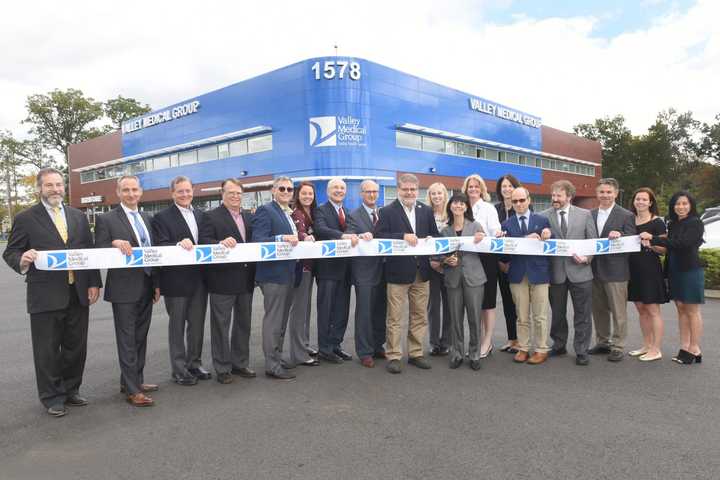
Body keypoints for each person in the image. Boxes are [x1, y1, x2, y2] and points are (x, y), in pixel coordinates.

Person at [3, 167, 102, 417]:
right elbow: (11, 252)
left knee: (75, 346)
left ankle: (71, 390)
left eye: (59, 184)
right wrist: (23, 259)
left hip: (77, 292)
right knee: (47, 350)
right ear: (40, 189)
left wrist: (93, 283)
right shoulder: (26, 218)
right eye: (49, 185)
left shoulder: (77, 216)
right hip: (45, 295)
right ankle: (52, 397)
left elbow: (87, 253)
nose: (56, 189)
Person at [95, 175, 161, 406]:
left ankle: (134, 380)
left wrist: (156, 284)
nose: (131, 194)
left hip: (147, 285)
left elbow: (153, 252)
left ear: (140, 192)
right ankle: (133, 391)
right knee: (126, 339)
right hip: (123, 290)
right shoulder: (107, 219)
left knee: (140, 337)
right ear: (118, 192)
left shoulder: (147, 217)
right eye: (126, 190)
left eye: (134, 189)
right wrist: (113, 244)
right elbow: (98, 249)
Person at [375, 173, 440, 374]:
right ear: (399, 190)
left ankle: (416, 353)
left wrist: (430, 239)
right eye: (406, 189)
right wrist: (402, 236)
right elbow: (379, 236)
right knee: (395, 317)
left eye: (413, 189)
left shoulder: (426, 211)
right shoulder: (386, 211)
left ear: (417, 190)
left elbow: (435, 236)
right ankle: (394, 355)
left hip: (422, 272)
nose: (409, 192)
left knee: (419, 315)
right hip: (397, 272)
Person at [151, 176, 209, 386]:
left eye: (188, 190)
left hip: (200, 279)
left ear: (193, 190)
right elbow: (160, 244)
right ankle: (179, 369)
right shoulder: (161, 217)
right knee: (177, 326)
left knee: (197, 325)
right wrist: (177, 243)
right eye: (180, 191)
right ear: (172, 193)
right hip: (176, 281)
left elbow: (208, 240)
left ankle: (194, 363)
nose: (185, 194)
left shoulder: (202, 215)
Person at [198, 178, 256, 384]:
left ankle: (240, 363)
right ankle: (222, 368)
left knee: (243, 324)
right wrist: (219, 243)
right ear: (222, 194)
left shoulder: (249, 217)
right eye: (230, 192)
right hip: (222, 280)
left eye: (238, 193)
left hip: (246, 280)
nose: (235, 196)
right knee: (221, 326)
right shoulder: (210, 216)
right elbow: (203, 241)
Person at [640, 191, 705, 365]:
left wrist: (653, 238)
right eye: (677, 204)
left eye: (685, 203)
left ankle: (695, 348)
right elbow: (668, 245)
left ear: (691, 205)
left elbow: (682, 243)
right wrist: (653, 244)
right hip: (674, 270)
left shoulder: (696, 223)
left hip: (690, 270)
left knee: (692, 311)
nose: (681, 207)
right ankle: (684, 346)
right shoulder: (673, 223)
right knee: (681, 309)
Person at [541, 180, 598, 366]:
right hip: (555, 273)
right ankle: (559, 344)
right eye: (553, 195)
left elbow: (593, 242)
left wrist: (587, 258)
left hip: (581, 272)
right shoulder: (543, 216)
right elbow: (538, 244)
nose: (554, 199)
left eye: (558, 195)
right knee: (557, 313)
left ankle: (581, 350)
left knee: (582, 313)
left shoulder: (585, 215)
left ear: (569, 197)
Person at [251, 177, 300, 380]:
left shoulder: (288, 213)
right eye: (282, 188)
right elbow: (259, 240)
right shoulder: (266, 210)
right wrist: (281, 238)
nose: (287, 191)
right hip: (273, 275)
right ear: (273, 190)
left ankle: (277, 357)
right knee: (273, 320)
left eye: (290, 189)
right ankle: (272, 364)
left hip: (289, 273)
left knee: (281, 320)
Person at [498, 188, 553, 365]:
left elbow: (554, 245)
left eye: (522, 200)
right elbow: (504, 257)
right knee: (521, 315)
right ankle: (523, 347)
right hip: (517, 274)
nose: (519, 204)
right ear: (511, 203)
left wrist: (548, 235)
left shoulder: (543, 220)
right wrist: (500, 242)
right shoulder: (506, 224)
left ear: (529, 200)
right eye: (515, 201)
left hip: (539, 273)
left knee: (540, 315)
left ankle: (541, 349)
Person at [589, 178, 636, 362]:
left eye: (609, 192)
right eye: (602, 192)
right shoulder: (590, 214)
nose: (605, 195)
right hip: (593, 270)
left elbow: (632, 240)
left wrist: (621, 236)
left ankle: (618, 345)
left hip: (616, 271)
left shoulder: (626, 215)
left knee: (618, 311)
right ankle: (602, 341)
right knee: (598, 309)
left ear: (616, 193)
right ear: (597, 193)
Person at [437, 193, 486, 370]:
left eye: (461, 204)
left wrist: (483, 239)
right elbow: (438, 254)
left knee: (474, 317)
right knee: (455, 319)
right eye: (454, 203)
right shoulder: (445, 230)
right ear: (450, 206)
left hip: (474, 277)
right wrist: (445, 260)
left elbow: (487, 249)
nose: (458, 206)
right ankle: (456, 353)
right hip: (453, 278)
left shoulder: (476, 226)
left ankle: (474, 354)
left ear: (466, 207)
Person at [313, 178, 359, 363]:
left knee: (341, 310)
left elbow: (354, 229)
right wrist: (342, 235)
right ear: (328, 191)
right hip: (327, 269)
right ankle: (324, 348)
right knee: (326, 310)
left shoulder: (347, 212)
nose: (339, 191)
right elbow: (321, 229)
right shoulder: (321, 210)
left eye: (342, 188)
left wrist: (357, 234)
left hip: (346, 269)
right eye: (335, 188)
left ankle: (336, 345)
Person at [347, 179, 387, 367]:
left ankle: (378, 346)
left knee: (380, 310)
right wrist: (359, 236)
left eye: (375, 192)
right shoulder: (354, 215)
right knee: (364, 312)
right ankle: (364, 352)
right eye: (368, 192)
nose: (372, 195)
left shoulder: (384, 214)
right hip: (364, 270)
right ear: (361, 194)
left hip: (385, 270)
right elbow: (350, 233)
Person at [462, 174, 501, 357]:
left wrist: (492, 233)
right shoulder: (460, 206)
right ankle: (474, 341)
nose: (473, 189)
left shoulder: (488, 208)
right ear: (466, 189)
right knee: (472, 301)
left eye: (477, 186)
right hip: (467, 257)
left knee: (488, 302)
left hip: (486, 258)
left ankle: (487, 341)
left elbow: (495, 230)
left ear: (482, 189)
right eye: (470, 186)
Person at [627, 188, 667, 362]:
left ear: (650, 202)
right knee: (641, 310)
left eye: (644, 199)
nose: (640, 202)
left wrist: (650, 242)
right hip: (632, 270)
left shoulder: (657, 222)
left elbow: (664, 250)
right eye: (638, 199)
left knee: (652, 310)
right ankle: (647, 345)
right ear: (634, 201)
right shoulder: (629, 219)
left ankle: (656, 349)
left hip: (650, 270)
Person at [286, 181, 320, 367]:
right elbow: (299, 234)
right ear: (298, 195)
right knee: (299, 311)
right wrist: (305, 237)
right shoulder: (297, 213)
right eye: (304, 193)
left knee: (305, 310)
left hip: (310, 267)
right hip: (302, 268)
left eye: (311, 193)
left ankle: (304, 345)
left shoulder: (311, 213)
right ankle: (299, 354)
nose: (308, 196)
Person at [494, 174, 521, 353]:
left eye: (510, 186)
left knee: (520, 303)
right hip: (499, 263)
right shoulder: (495, 209)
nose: (507, 189)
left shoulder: (522, 207)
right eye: (504, 186)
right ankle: (512, 339)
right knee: (507, 303)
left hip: (517, 264)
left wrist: (512, 262)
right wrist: (499, 262)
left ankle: (521, 340)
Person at [427, 182, 451, 356]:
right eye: (433, 193)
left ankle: (447, 341)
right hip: (431, 267)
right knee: (433, 306)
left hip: (450, 265)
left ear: (445, 194)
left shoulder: (451, 214)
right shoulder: (425, 213)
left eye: (439, 193)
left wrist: (444, 261)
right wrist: (433, 261)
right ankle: (434, 342)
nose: (436, 196)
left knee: (450, 305)